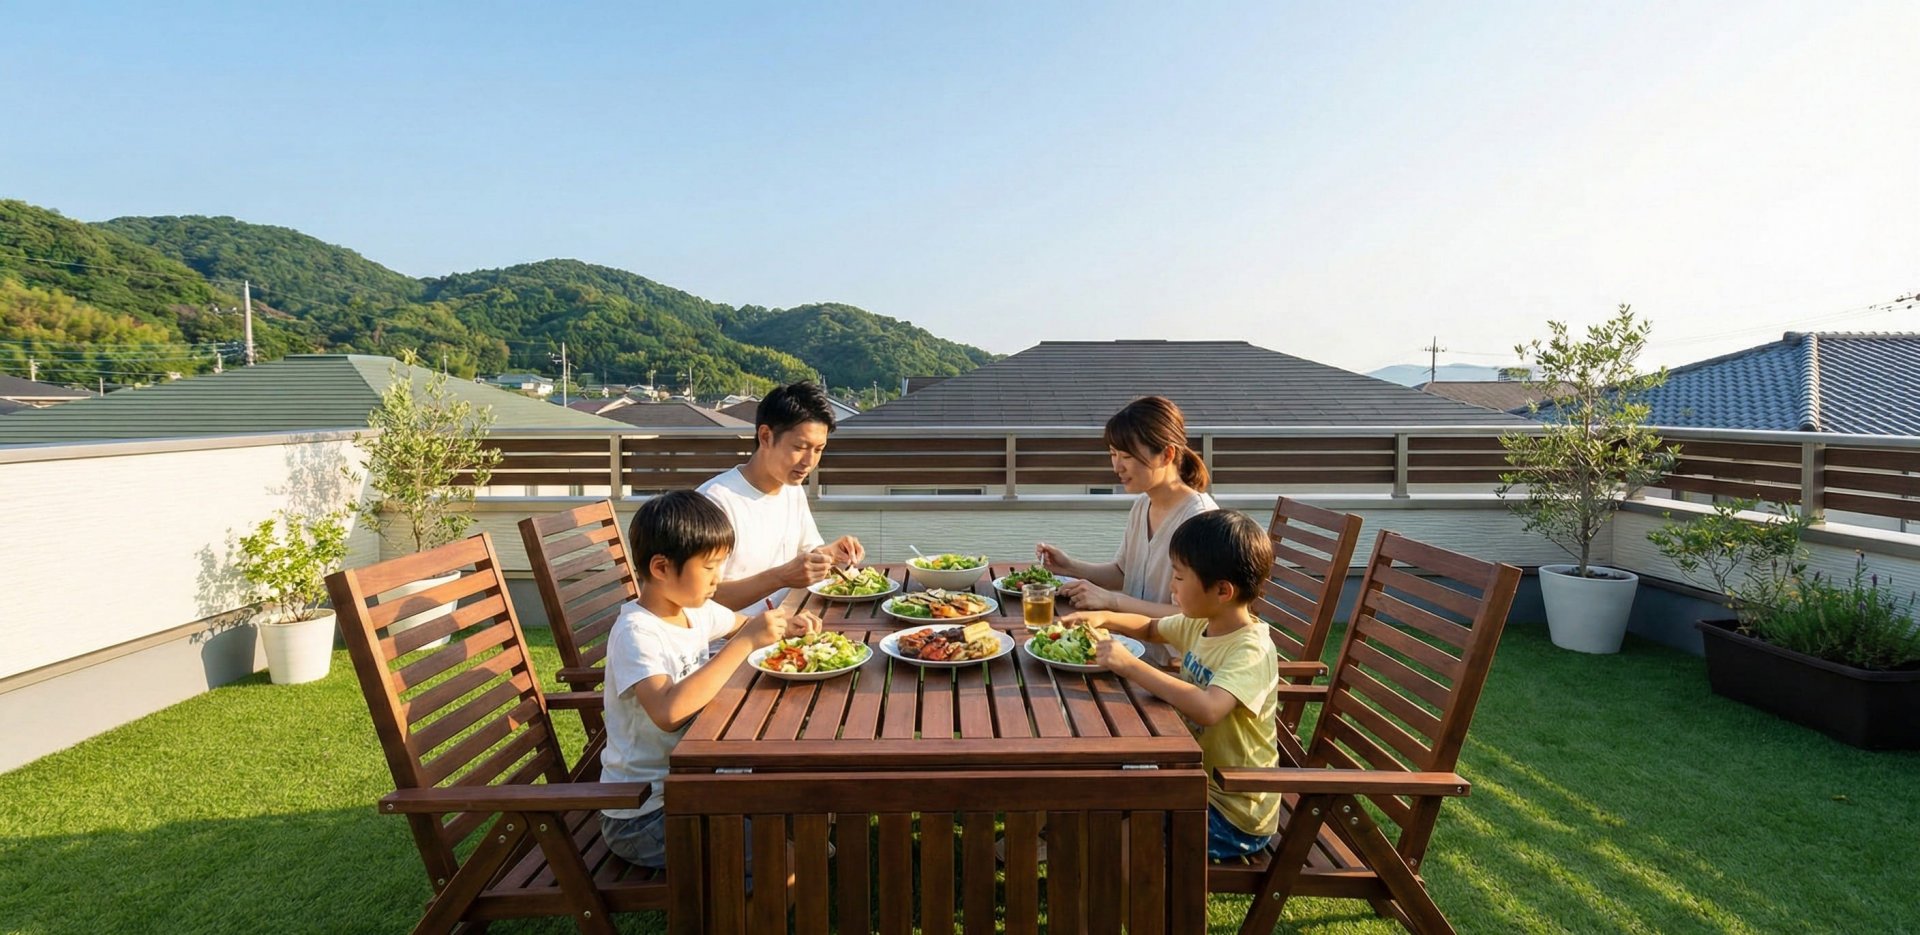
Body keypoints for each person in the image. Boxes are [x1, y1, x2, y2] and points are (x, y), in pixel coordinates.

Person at [599, 490, 823, 873]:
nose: (719, 578)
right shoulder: (637, 633)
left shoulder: (692, 611)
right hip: (645, 813)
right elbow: (668, 712)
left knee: (804, 795)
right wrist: (745, 643)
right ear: (661, 568)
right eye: (709, 566)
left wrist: (787, 627)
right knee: (784, 861)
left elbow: (743, 624)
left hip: (696, 780)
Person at [1062, 509, 1280, 860]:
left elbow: (1209, 708)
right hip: (1188, 778)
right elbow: (1150, 628)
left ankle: (1129, 895)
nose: (1171, 586)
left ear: (1222, 590)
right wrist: (1104, 617)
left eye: (1178, 577)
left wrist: (1129, 665)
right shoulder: (1203, 622)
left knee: (1122, 841)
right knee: (1097, 787)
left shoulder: (1251, 650)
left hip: (1231, 811)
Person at [1036, 395, 1217, 619]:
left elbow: (1192, 618)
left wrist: (1112, 601)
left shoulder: (1201, 520)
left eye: (1127, 456)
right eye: (1113, 454)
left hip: (1162, 643)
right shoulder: (1143, 505)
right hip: (1127, 636)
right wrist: (1069, 567)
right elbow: (1124, 573)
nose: (1117, 467)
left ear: (1167, 455)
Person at [699, 381, 865, 611]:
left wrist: (830, 554)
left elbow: (806, 555)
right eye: (800, 447)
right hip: (734, 633)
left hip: (789, 622)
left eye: (818, 449)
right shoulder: (714, 503)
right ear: (765, 436)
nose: (809, 462)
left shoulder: (791, 489)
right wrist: (780, 577)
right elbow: (698, 599)